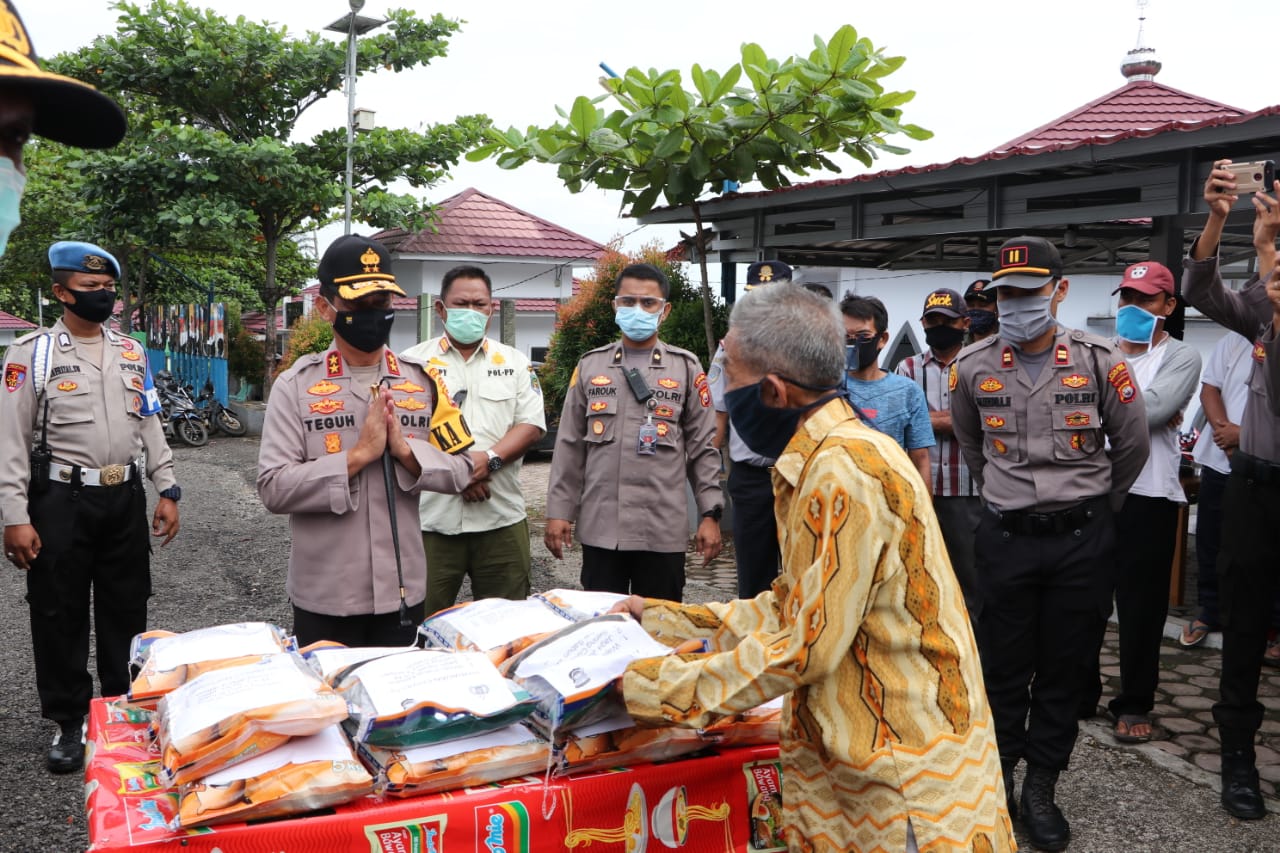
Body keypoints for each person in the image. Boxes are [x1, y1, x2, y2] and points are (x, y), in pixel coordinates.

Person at [612, 283, 1013, 853]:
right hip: (869, 763)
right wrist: (658, 619)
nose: (721, 393)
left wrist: (642, 690)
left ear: (772, 391)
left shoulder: (841, 471)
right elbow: (792, 603)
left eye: (730, 377)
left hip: (903, 785)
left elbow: (806, 644)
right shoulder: (826, 456)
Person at [951, 236, 1149, 850]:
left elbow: (1133, 444)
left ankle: (1042, 789)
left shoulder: (1100, 359)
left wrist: (1093, 510)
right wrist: (1012, 500)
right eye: (1005, 293)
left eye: (1028, 292)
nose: (1014, 304)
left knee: (1065, 669)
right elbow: (972, 448)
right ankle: (1000, 785)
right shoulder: (974, 365)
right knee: (1003, 669)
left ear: (1058, 291)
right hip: (1007, 539)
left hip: (1081, 543)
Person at [0, 242, 179, 774]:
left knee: (127, 606)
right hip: (61, 500)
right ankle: (69, 721)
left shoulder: (131, 352)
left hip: (123, 497)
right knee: (59, 611)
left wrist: (166, 487)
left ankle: (120, 710)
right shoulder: (32, 355)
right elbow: (10, 440)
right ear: (61, 293)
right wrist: (14, 516)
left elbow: (149, 422)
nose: (103, 298)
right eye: (90, 290)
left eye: (108, 290)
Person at [258, 235, 477, 648]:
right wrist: (356, 457)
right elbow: (273, 487)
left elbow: (465, 468)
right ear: (326, 308)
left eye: (383, 304)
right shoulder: (296, 386)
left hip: (402, 591)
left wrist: (407, 453)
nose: (374, 315)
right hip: (327, 595)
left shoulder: (422, 380)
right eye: (359, 306)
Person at [1182, 160, 1280, 821]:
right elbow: (1202, 291)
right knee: (1243, 627)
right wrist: (1218, 220)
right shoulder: (1265, 292)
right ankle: (1239, 756)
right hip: (1258, 488)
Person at [544, 262, 721, 601]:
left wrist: (710, 514)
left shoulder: (686, 367)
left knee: (660, 628)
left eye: (648, 303)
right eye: (628, 302)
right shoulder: (590, 365)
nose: (637, 309)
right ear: (615, 306)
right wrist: (559, 512)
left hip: (661, 530)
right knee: (603, 628)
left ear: (664, 311)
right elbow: (569, 446)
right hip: (601, 529)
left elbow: (703, 449)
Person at [401, 265, 545, 616]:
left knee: (506, 627)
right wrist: (460, 474)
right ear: (440, 308)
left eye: (479, 304)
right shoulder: (412, 364)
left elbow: (530, 425)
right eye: (460, 303)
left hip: (500, 518)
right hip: (431, 520)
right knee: (421, 625)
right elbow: (405, 436)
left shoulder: (514, 363)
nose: (471, 311)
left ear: (491, 309)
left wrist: (489, 460)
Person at [1099, 262, 1200, 744]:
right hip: (1093, 491)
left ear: (1168, 307)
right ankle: (1077, 690)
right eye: (1127, 298)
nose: (1132, 308)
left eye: (1145, 300)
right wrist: (1133, 407)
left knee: (1140, 610)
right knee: (1084, 599)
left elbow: (1157, 412)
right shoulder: (1098, 350)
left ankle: (1134, 701)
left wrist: (1097, 405)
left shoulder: (1182, 357)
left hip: (1149, 494)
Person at [1181, 332, 1280, 655]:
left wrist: (1246, 435)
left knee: (1269, 548)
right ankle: (1211, 611)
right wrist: (1224, 430)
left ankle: (1275, 626)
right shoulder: (1234, 339)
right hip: (1220, 460)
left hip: (1271, 466)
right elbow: (1211, 387)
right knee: (1213, 542)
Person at [896, 288, 982, 616]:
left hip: (968, 492)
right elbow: (906, 421)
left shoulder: (980, 363)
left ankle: (972, 659)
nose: (938, 326)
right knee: (921, 579)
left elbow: (985, 421)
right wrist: (957, 420)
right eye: (932, 320)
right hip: (922, 491)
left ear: (964, 323)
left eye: (946, 320)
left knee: (971, 584)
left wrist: (929, 420)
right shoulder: (908, 368)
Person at [708, 260, 790, 598]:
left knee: (809, 574)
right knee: (754, 580)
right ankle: (754, 647)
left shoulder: (810, 344)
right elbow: (717, 417)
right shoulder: (731, 347)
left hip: (799, 475)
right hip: (752, 478)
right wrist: (709, 482)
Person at [839, 293, 934, 488]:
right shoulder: (823, 386)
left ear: (882, 339)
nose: (853, 343)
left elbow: (921, 459)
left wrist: (923, 514)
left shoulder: (908, 391)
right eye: (845, 336)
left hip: (889, 500)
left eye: (862, 336)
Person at [964, 278, 1000, 342]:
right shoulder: (958, 342)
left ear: (997, 309)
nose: (976, 310)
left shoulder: (1009, 340)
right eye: (971, 305)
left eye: (983, 305)